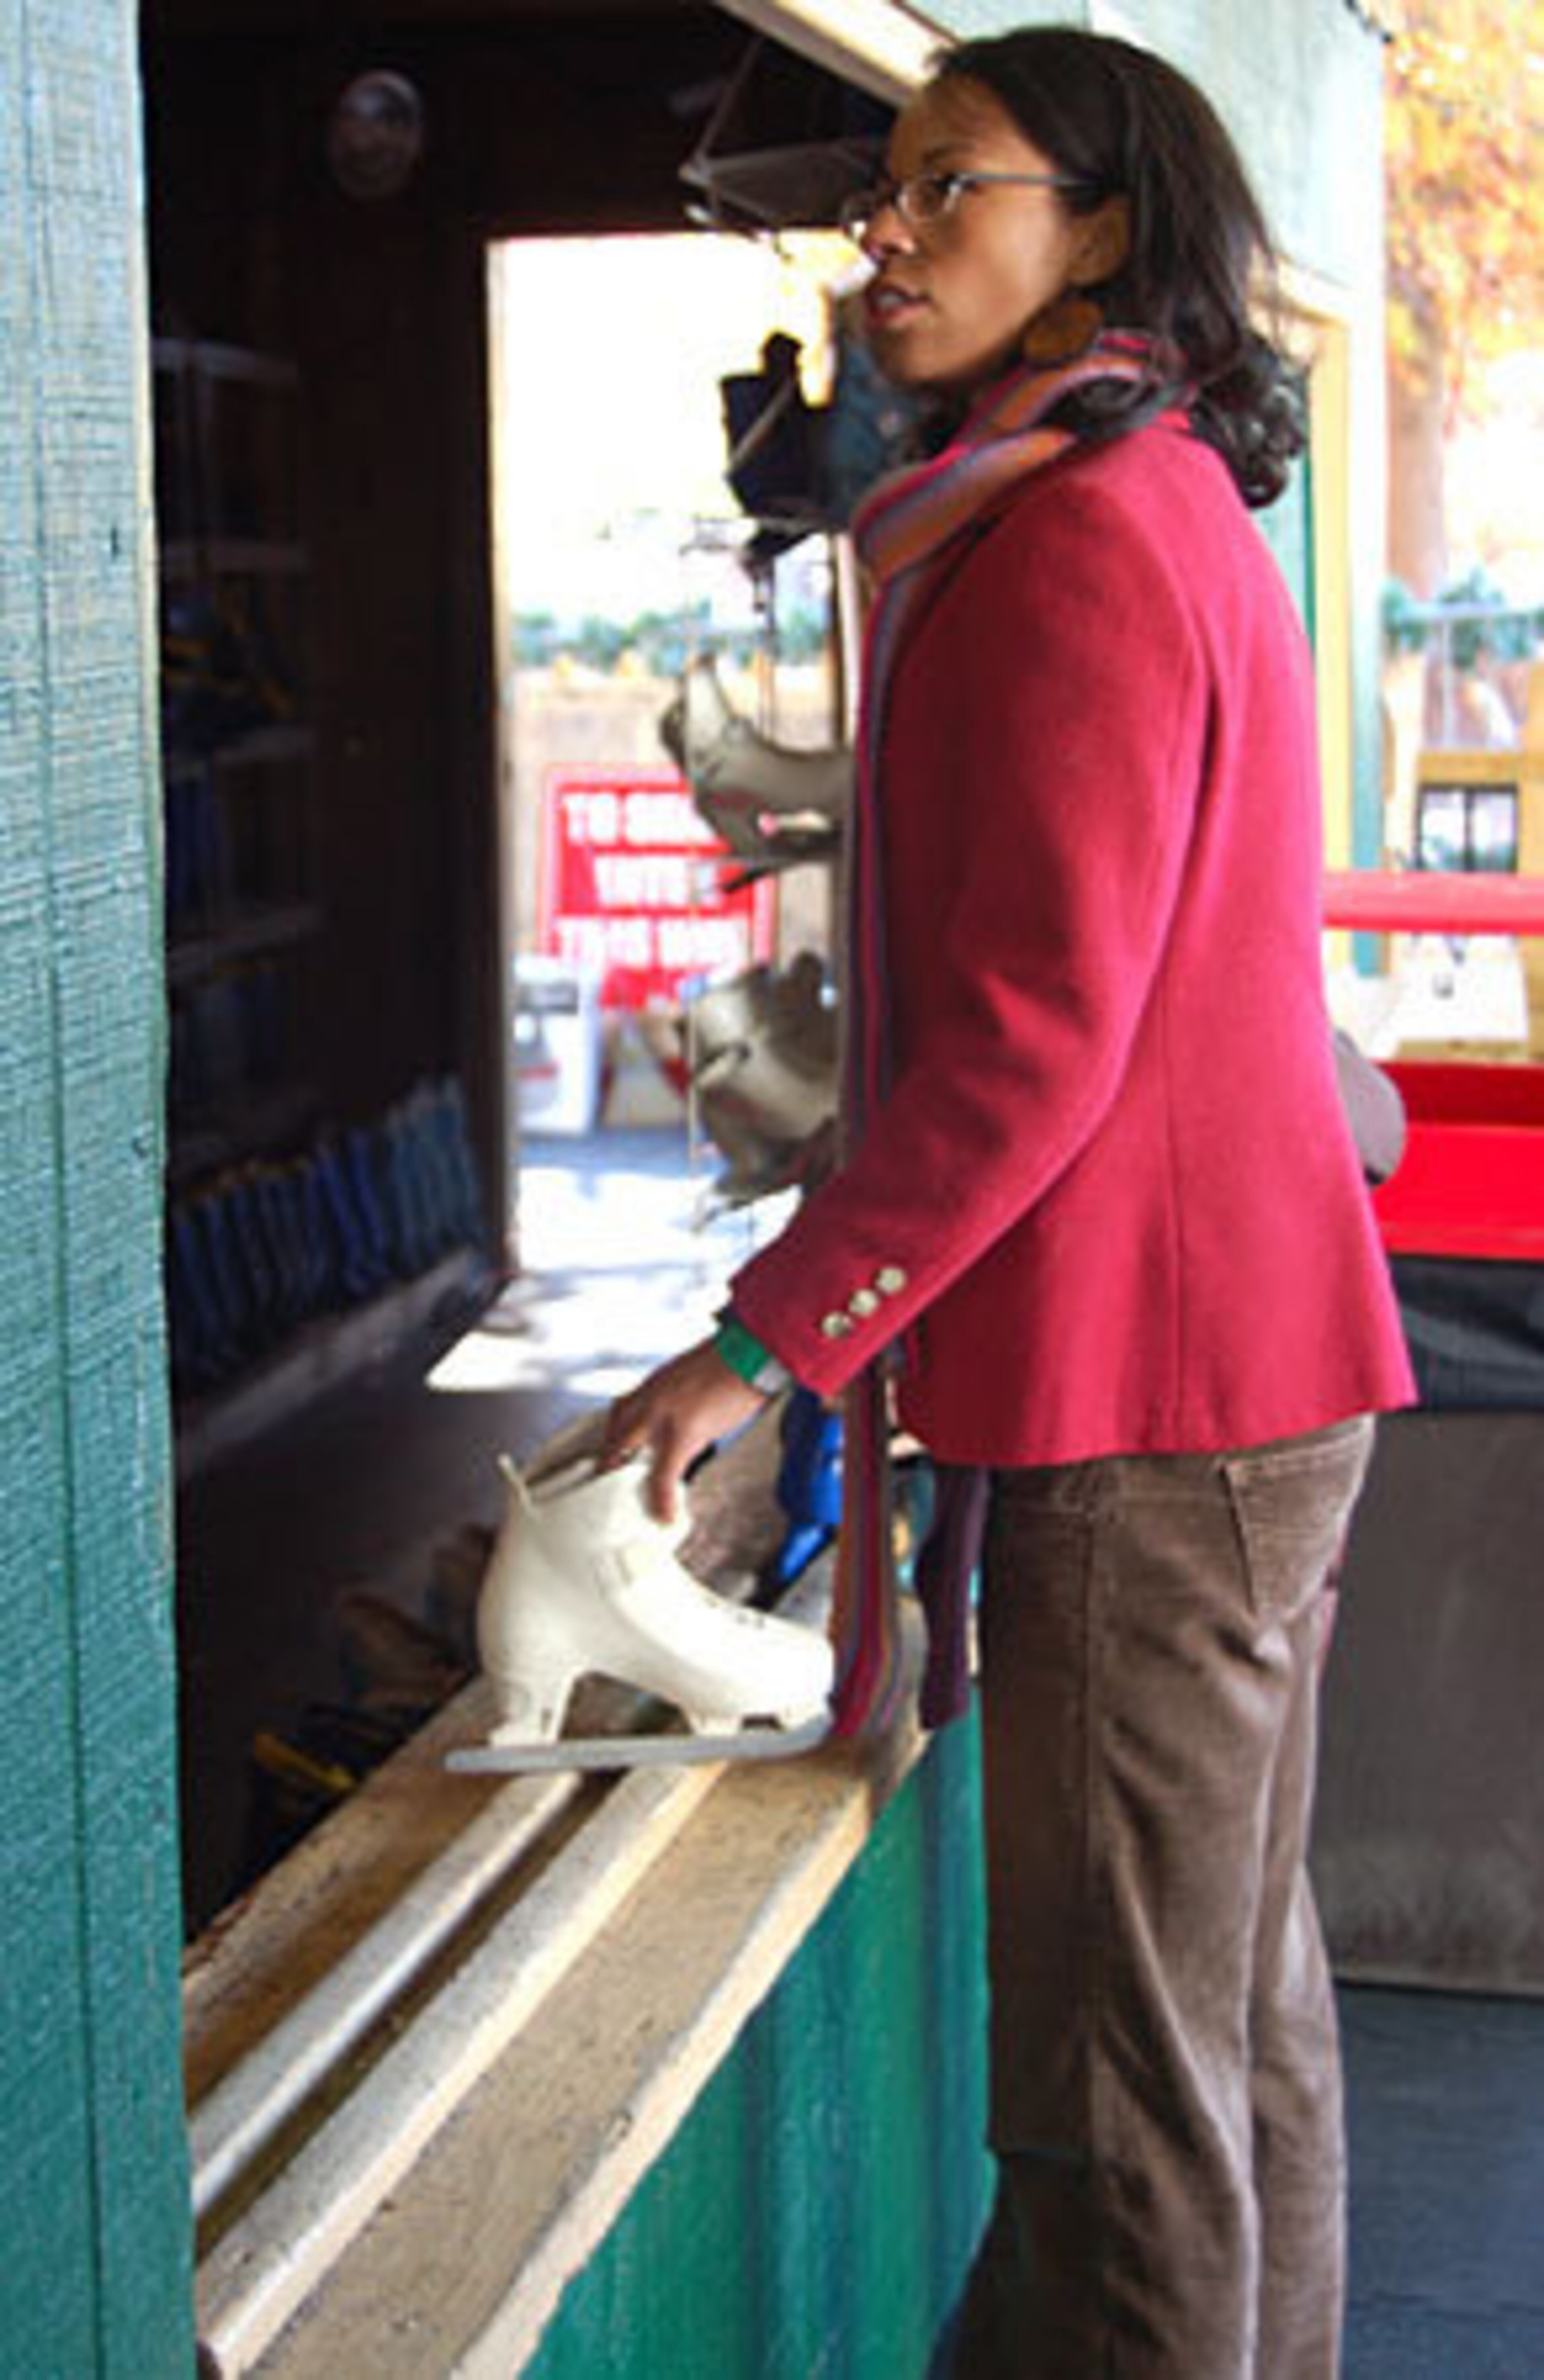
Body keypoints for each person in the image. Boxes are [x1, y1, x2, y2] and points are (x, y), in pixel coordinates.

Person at [602, 26, 1415, 2376]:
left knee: (1112, 2109)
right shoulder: (1135, 500)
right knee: (1228, 2034)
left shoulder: (1075, 540)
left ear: (1102, 236)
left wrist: (760, 1347)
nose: (887, 232)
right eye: (887, 186)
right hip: (1234, 1397)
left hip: (1151, 1425)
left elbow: (1034, 1039)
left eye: (948, 187)